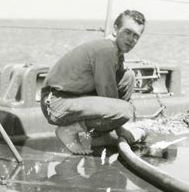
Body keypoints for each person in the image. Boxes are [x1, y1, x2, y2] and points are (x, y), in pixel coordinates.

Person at [40, 10, 147, 154]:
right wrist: (119, 124)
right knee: (125, 110)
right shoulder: (106, 50)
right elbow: (108, 95)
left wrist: (117, 126)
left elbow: (113, 92)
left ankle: (99, 136)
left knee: (128, 77)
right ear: (115, 29)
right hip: (56, 102)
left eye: (136, 36)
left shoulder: (116, 51)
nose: (131, 39)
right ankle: (67, 131)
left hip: (73, 99)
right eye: (127, 32)